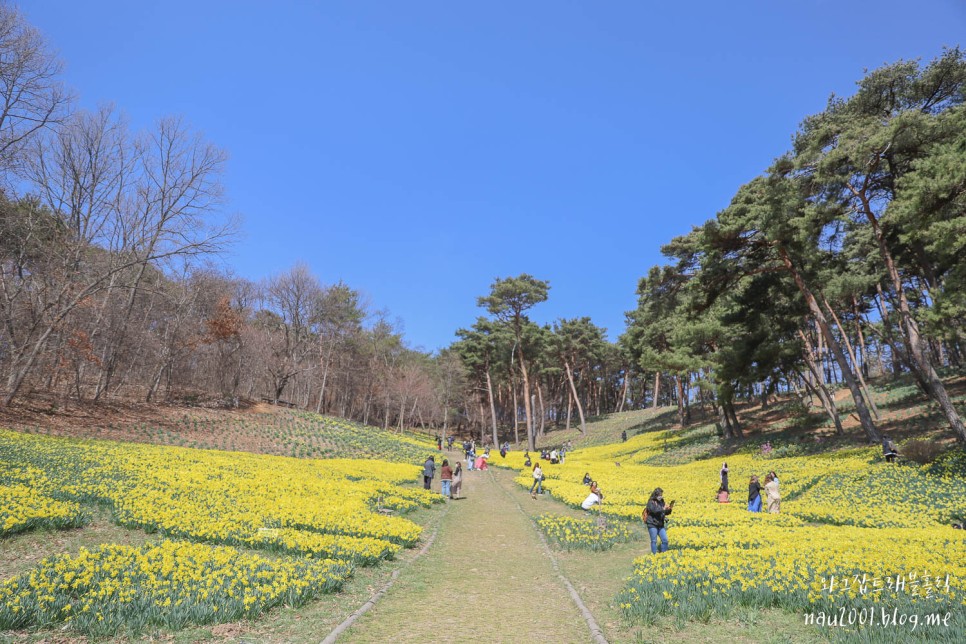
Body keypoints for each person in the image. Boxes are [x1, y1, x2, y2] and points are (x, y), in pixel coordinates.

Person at [644, 488, 673, 554]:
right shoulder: (651, 502)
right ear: (656, 495)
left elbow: (665, 512)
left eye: (661, 495)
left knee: (665, 540)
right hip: (652, 523)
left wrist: (669, 509)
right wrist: (663, 509)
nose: (661, 496)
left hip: (660, 524)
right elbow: (654, 511)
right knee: (654, 541)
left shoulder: (661, 501)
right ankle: (654, 556)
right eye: (660, 495)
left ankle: (663, 555)